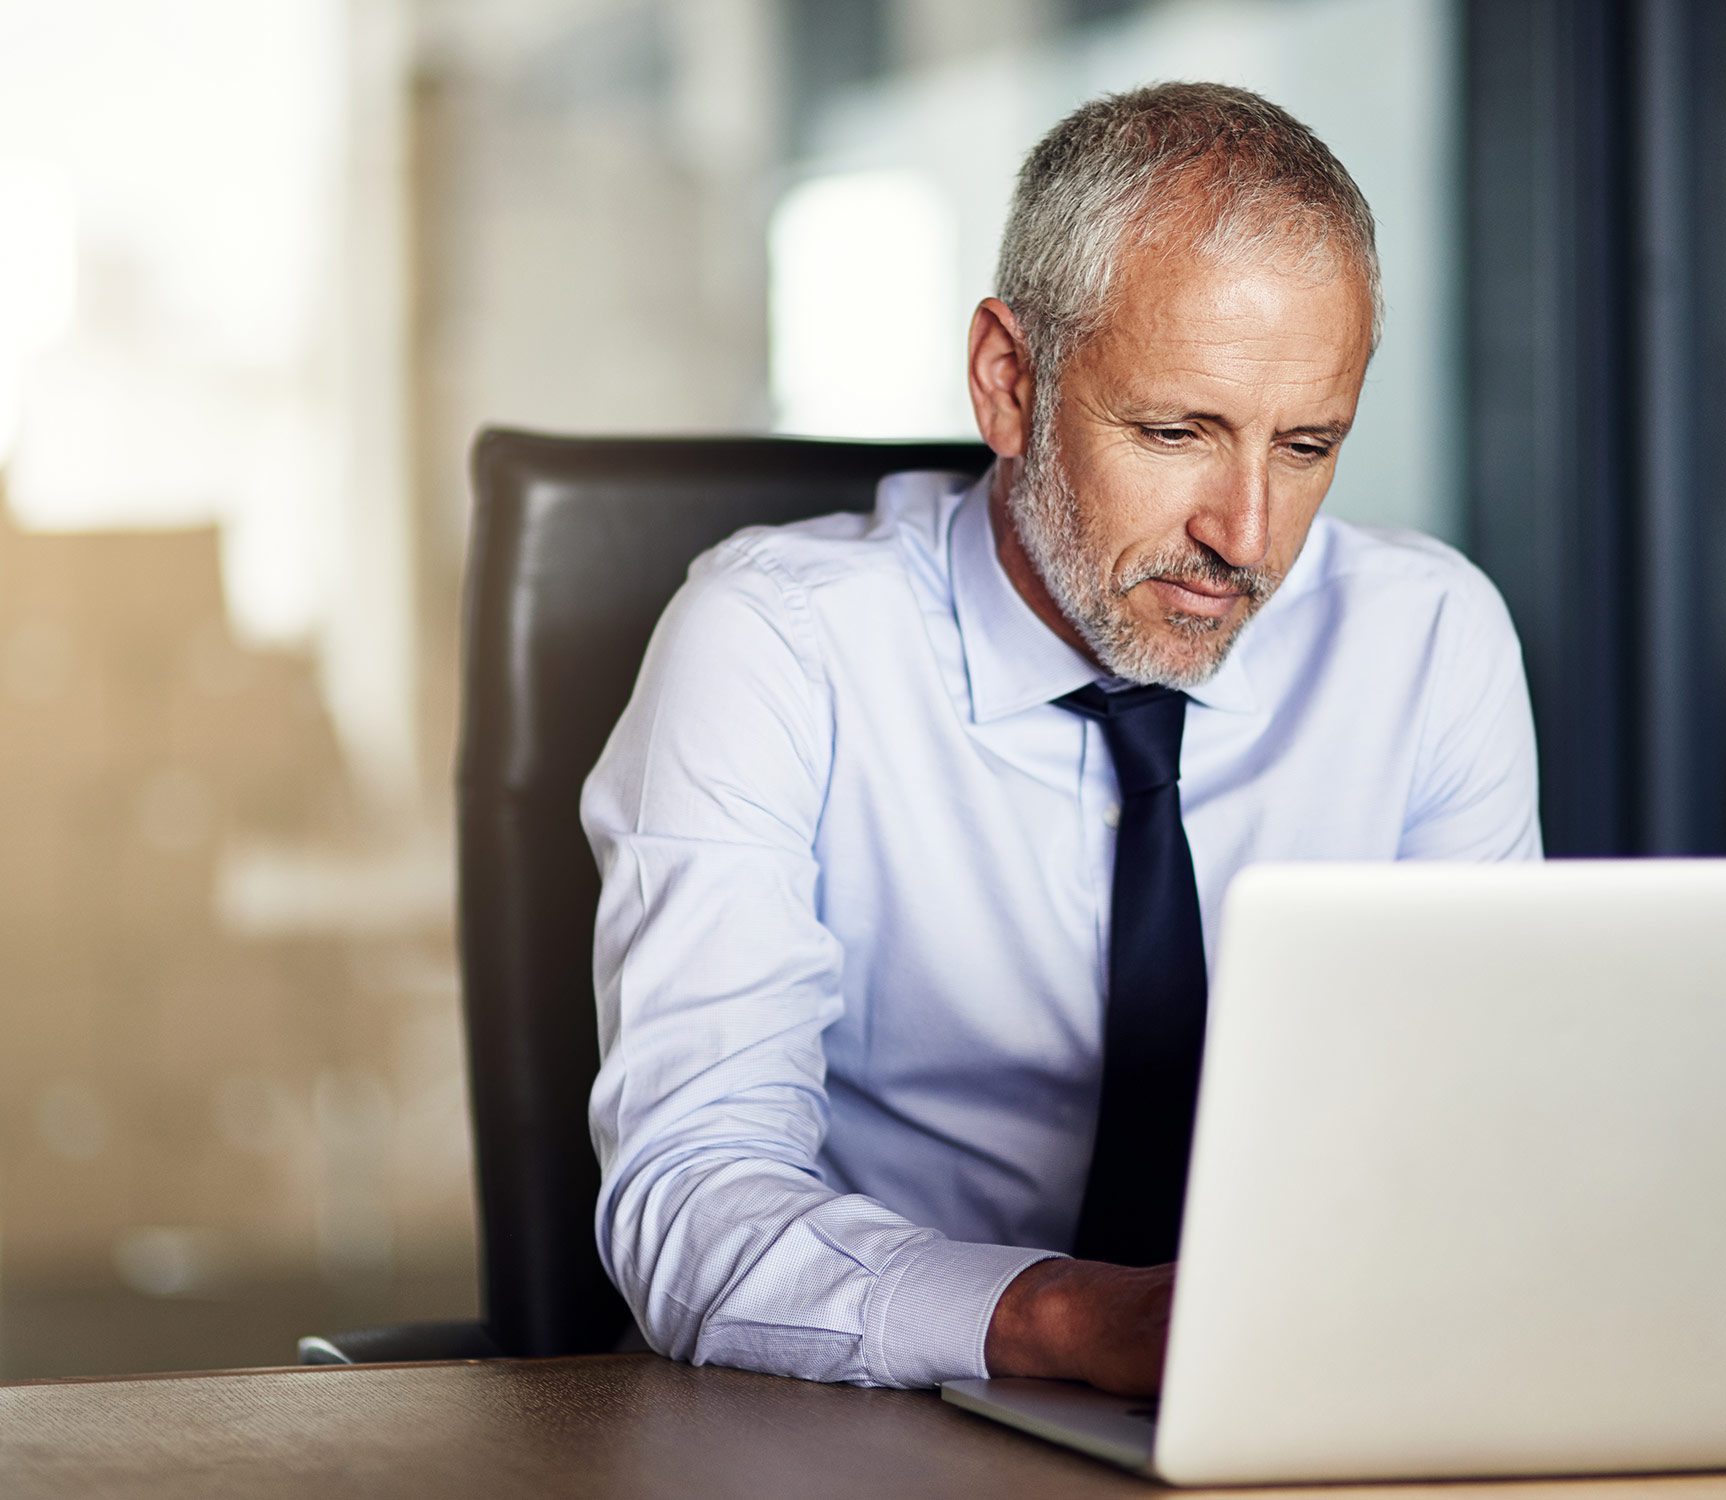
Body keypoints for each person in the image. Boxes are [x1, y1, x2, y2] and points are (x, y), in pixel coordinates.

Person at [583, 82, 1540, 1398]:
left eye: (1308, 446)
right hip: (875, 1433)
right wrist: (1075, 1325)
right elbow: (689, 1202)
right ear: (1009, 381)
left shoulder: (1428, 640)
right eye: (1176, 432)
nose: (1247, 536)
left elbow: (1491, 1139)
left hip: (1312, 1409)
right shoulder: (777, 644)